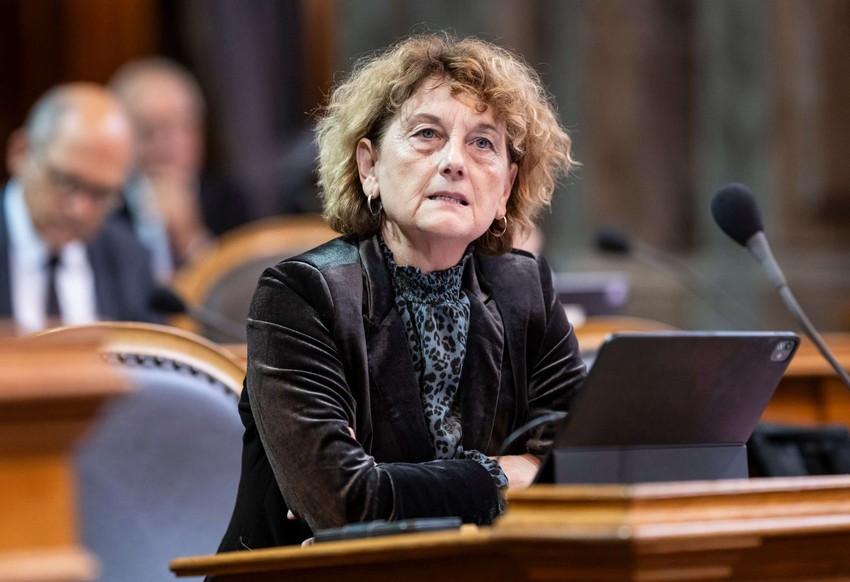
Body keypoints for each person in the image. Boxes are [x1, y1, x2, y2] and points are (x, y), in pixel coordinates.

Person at [216, 33, 585, 552]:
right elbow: (343, 503)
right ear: (369, 167)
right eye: (427, 134)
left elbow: (581, 464)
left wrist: (404, 484)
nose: (455, 161)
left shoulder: (525, 289)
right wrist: (500, 475)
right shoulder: (301, 296)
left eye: (483, 143)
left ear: (505, 187)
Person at [0, 83, 162, 334]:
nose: (80, 210)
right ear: (20, 153)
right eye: (67, 182)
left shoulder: (129, 259)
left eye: (101, 194)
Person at [109, 57, 251, 282]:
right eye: (149, 131)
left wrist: (190, 236)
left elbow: (240, 296)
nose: (166, 144)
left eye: (180, 127)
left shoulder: (229, 201)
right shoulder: (105, 205)